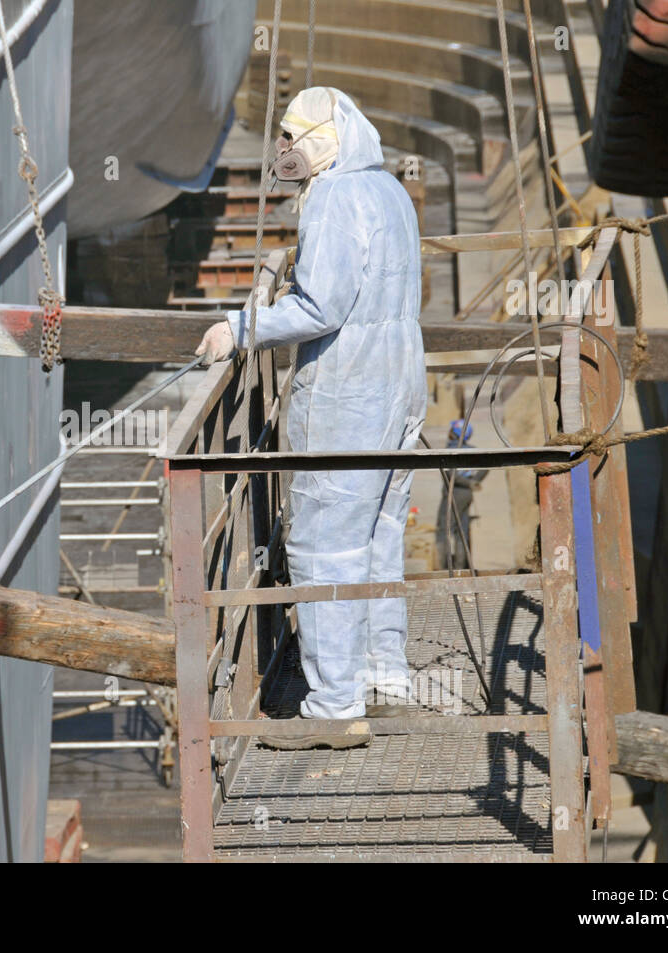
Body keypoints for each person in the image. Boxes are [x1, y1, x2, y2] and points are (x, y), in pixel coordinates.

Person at [194, 88, 427, 748]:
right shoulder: (389, 191)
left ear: (327, 139)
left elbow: (321, 306)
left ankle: (332, 706)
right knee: (380, 532)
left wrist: (240, 327)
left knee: (326, 539)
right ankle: (387, 679)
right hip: (403, 379)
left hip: (351, 388)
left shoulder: (332, 197)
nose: (284, 150)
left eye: (294, 138)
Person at [436, 419, 488, 571]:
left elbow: (450, 474)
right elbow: (487, 465)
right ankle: (462, 568)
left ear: (454, 434)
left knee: (444, 530)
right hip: (467, 495)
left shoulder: (449, 450)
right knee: (461, 530)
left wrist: (468, 483)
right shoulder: (473, 450)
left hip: (453, 493)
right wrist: (473, 481)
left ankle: (445, 569)